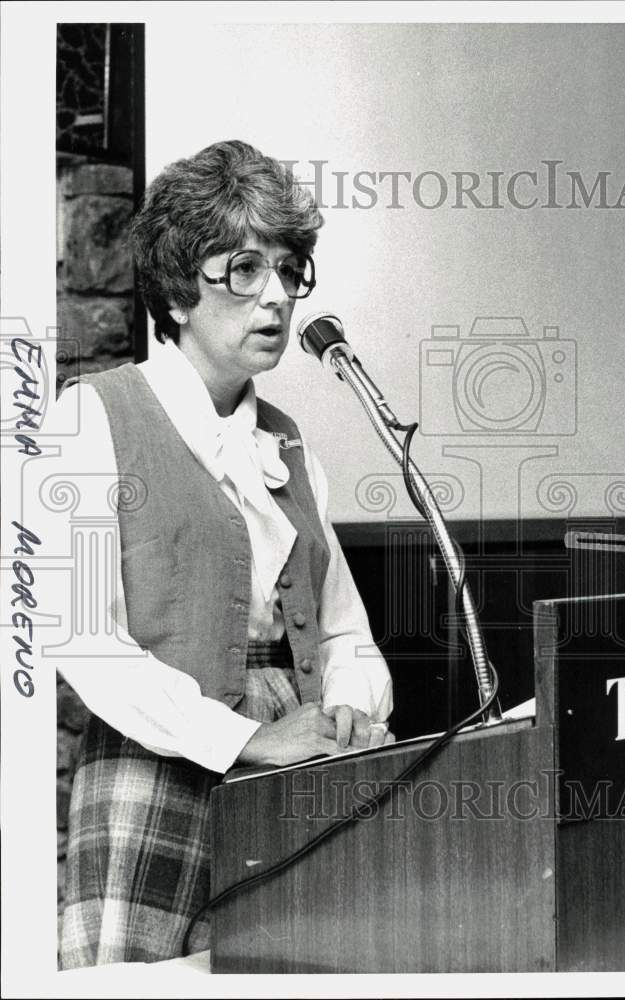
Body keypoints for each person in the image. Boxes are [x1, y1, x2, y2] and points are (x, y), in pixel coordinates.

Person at [56, 140, 393, 968]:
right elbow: (83, 643)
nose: (275, 296)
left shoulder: (289, 449)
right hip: (158, 772)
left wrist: (349, 706)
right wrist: (242, 739)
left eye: (289, 268)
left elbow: (346, 633)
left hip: (295, 770)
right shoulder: (90, 418)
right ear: (176, 291)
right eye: (243, 269)